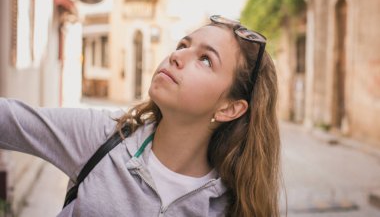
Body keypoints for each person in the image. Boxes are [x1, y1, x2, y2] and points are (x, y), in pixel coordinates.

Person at [0, 15, 281, 217]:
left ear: (229, 109)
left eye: (205, 59)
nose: (176, 56)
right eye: (183, 45)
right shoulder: (104, 138)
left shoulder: (230, 206)